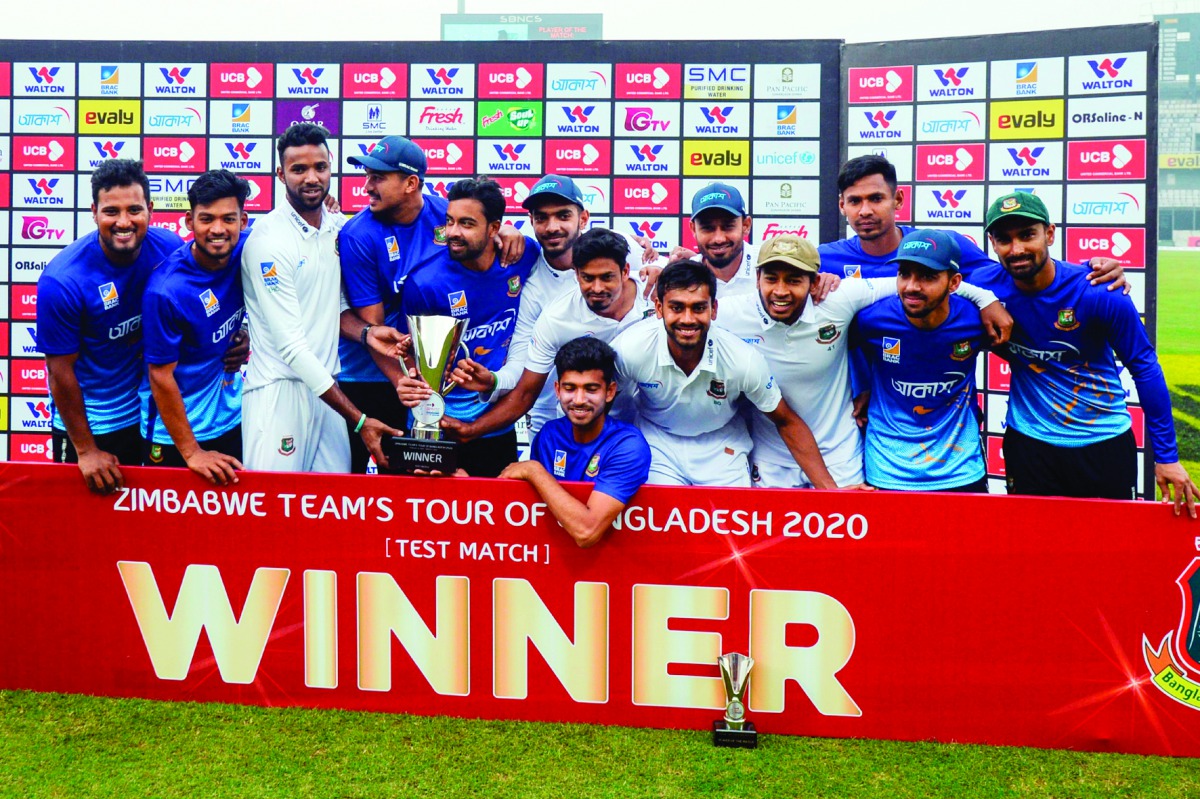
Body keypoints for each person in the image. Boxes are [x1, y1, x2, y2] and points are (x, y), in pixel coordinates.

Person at [970, 191, 1199, 515]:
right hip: (1030, 447)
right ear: (992, 243)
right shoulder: (983, 288)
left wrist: (1167, 457)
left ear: (1049, 234)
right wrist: (980, 299)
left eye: (1027, 235)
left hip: (1102, 444)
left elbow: (1144, 367)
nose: (1017, 249)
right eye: (1004, 239)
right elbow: (931, 273)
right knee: (1034, 553)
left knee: (1109, 555)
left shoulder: (1097, 290)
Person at [339, 135, 526, 473]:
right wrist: (405, 385)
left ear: (412, 183)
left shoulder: (446, 212)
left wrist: (508, 231)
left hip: (435, 376)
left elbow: (481, 224)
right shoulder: (358, 235)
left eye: (378, 177)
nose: (367, 187)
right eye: (367, 176)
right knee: (394, 479)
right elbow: (378, 331)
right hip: (373, 374)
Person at [240, 123, 401, 473]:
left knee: (330, 514)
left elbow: (334, 304)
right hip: (279, 393)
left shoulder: (338, 226)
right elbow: (292, 347)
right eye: (299, 169)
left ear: (331, 167)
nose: (311, 178)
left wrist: (367, 334)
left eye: (320, 167)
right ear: (281, 175)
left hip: (328, 392)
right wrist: (359, 420)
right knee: (274, 514)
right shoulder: (268, 241)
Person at [449, 173, 656, 438]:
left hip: (637, 419)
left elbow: (671, 272)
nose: (551, 227)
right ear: (531, 222)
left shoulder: (620, 245)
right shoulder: (534, 288)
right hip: (558, 417)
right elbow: (521, 365)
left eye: (563, 216)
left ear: (583, 218)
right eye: (541, 218)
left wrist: (662, 268)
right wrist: (494, 380)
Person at [611, 259, 838, 488]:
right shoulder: (630, 347)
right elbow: (606, 406)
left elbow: (785, 420)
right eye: (677, 307)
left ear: (714, 309)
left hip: (722, 446)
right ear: (659, 308)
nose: (688, 320)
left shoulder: (742, 359)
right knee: (662, 521)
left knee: (729, 523)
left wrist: (831, 491)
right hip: (656, 441)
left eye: (699, 308)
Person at [36, 159, 187, 494]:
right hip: (92, 426)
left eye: (134, 209)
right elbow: (60, 373)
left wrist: (238, 336)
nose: (123, 222)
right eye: (111, 211)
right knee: (80, 532)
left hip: (149, 418)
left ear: (150, 209)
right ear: (94, 212)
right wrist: (86, 450)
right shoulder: (63, 280)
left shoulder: (170, 248)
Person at [399, 177, 540, 477]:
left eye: (466, 223)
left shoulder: (523, 255)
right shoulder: (424, 283)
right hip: (438, 425)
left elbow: (578, 253)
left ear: (493, 228)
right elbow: (407, 353)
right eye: (449, 221)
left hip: (494, 426)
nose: (453, 232)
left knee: (494, 518)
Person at [853, 230, 990, 492]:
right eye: (905, 274)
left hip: (961, 469)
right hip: (887, 469)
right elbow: (837, 352)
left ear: (954, 282)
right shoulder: (871, 319)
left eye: (927, 276)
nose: (912, 286)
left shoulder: (977, 320)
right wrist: (863, 388)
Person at [141, 170, 249, 485]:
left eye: (228, 219)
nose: (218, 229)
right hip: (175, 436)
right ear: (189, 222)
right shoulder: (166, 290)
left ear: (243, 222)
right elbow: (160, 376)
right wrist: (192, 453)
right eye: (206, 219)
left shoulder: (250, 248)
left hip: (231, 418)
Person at [499, 336, 651, 547]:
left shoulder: (627, 445)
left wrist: (534, 470)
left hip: (615, 564)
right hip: (554, 557)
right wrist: (464, 487)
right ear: (557, 389)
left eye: (591, 389)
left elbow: (587, 532)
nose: (579, 400)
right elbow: (527, 509)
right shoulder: (549, 435)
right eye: (570, 388)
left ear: (610, 392)